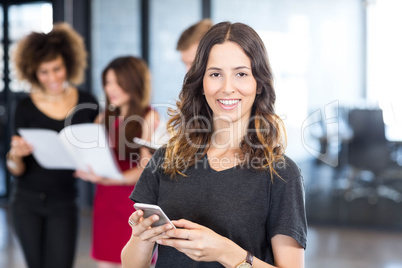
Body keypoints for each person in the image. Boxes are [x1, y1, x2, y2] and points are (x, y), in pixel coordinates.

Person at [121, 21, 307, 267]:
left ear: (259, 84)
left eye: (241, 74)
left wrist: (226, 252)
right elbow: (131, 264)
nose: (227, 88)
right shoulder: (166, 159)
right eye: (216, 74)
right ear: (201, 83)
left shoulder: (281, 173)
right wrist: (141, 238)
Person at [6, 23, 99, 268]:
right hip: (26, 202)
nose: (52, 78)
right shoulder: (24, 107)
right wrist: (15, 155)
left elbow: (99, 149)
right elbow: (16, 169)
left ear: (68, 63)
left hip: (64, 201)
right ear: (33, 72)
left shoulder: (87, 103)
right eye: (43, 72)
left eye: (56, 68)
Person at [74, 56, 159, 268]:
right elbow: (91, 153)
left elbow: (145, 168)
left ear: (132, 82)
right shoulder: (104, 117)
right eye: (107, 82)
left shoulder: (149, 116)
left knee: (134, 261)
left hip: (133, 202)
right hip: (105, 199)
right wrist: (85, 168)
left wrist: (113, 179)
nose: (110, 88)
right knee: (105, 261)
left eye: (117, 82)